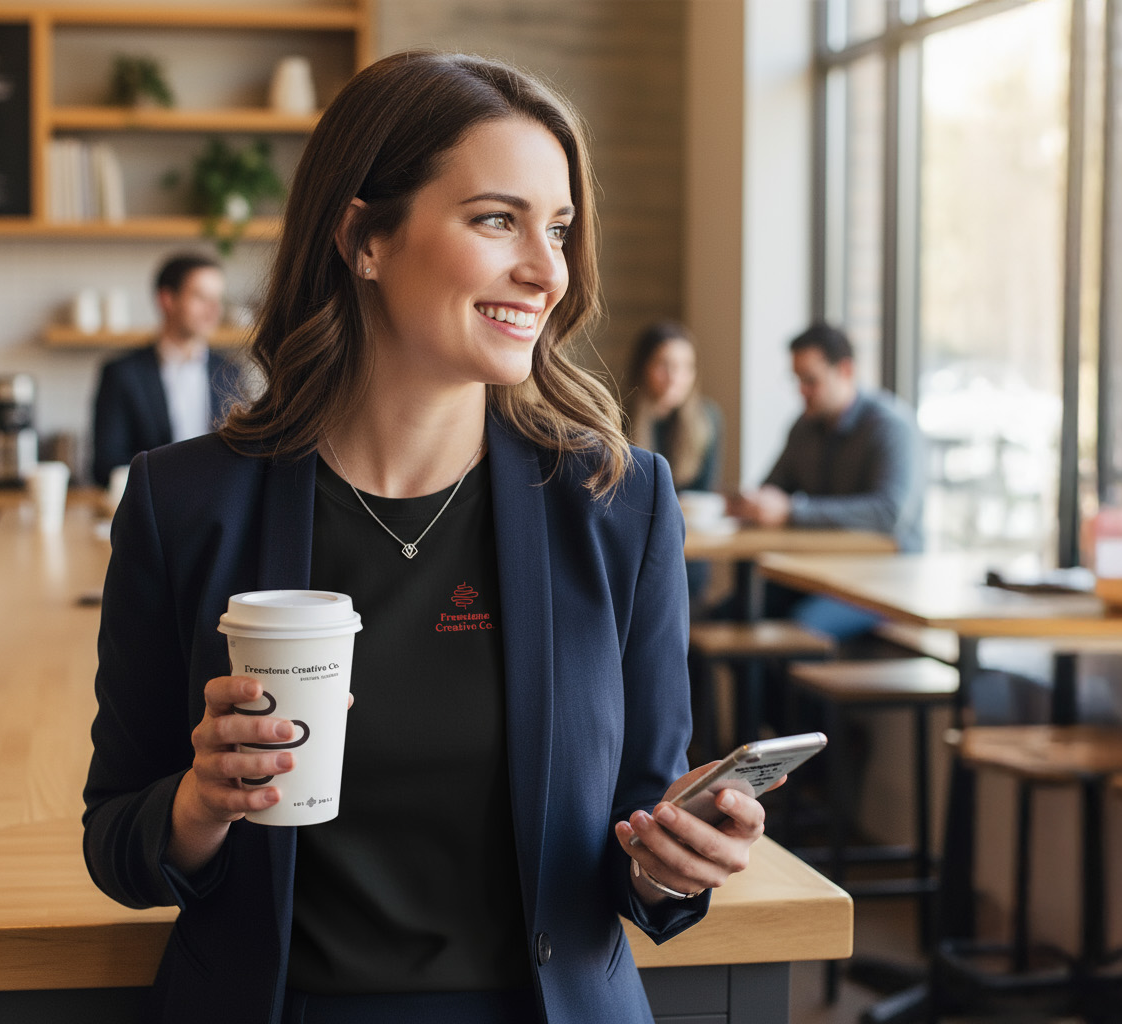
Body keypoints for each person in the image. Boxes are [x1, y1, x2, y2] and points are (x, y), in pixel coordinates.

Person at [83, 52, 772, 1024]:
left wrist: (674, 864)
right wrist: (200, 800)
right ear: (363, 236)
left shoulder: (618, 504)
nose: (545, 268)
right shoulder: (182, 502)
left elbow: (641, 841)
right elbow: (116, 840)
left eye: (559, 228)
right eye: (498, 219)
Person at [730, 321, 925, 639]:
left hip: (885, 582)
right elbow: (774, 487)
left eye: (810, 380)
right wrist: (750, 503)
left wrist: (792, 512)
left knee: (795, 630)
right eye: (796, 380)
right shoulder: (805, 428)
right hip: (821, 575)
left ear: (845, 371)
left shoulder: (890, 428)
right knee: (730, 614)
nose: (801, 391)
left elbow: (889, 513)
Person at [90, 252, 247, 487]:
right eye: (201, 297)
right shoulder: (122, 373)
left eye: (217, 299)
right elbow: (105, 464)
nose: (214, 310)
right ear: (167, 300)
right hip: (153, 509)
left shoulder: (230, 372)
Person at [623, 321, 722, 602]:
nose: (675, 377)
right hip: (634, 549)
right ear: (643, 367)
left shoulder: (707, 420)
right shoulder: (617, 417)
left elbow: (702, 495)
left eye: (685, 367)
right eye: (664, 365)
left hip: (688, 548)